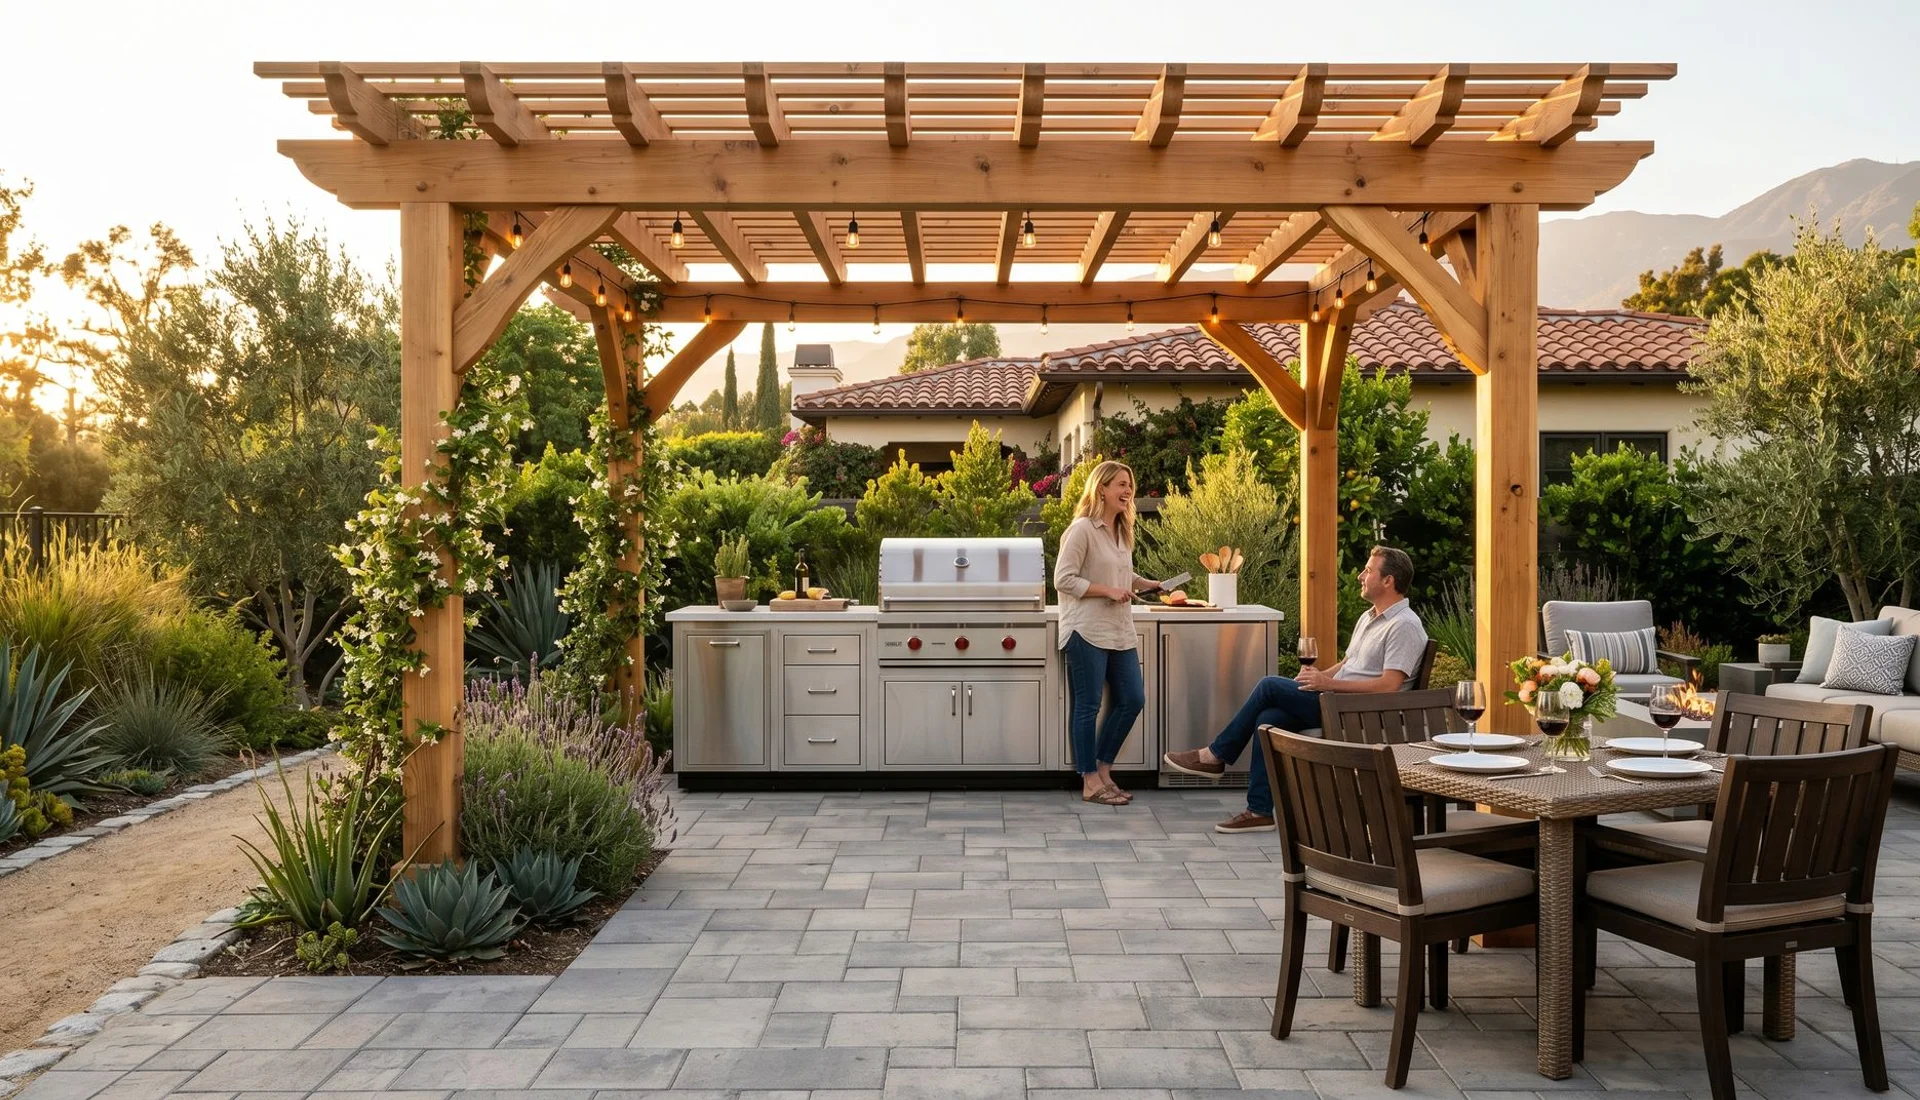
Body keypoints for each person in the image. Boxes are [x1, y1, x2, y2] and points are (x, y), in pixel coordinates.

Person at [1162, 545, 1429, 833]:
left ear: (1388, 580)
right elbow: (1348, 664)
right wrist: (1320, 677)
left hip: (1358, 713)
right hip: (1335, 701)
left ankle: (1215, 756)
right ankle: (1259, 811)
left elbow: (1389, 686)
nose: (1360, 576)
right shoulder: (1369, 617)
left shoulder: (1404, 625)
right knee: (1268, 719)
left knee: (1269, 685)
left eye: (1368, 570)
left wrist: (1327, 684)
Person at [1054, 459, 1162, 806]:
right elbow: (1063, 579)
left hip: (1119, 630)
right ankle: (1089, 781)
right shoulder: (1082, 529)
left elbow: (1121, 574)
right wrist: (1107, 591)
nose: (1128, 491)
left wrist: (1147, 583)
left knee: (1133, 699)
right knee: (1088, 705)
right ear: (1101, 489)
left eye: (1130, 485)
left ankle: (1103, 769)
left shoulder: (1122, 531)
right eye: (1121, 484)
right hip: (1085, 630)